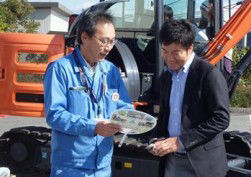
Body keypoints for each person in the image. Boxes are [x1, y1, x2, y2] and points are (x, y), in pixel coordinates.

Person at [44, 10, 133, 177]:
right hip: (71, 166)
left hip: (102, 166)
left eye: (112, 42)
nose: (108, 48)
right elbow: (55, 115)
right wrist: (94, 127)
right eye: (103, 41)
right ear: (84, 37)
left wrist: (132, 119)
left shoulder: (111, 70)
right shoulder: (60, 69)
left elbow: (123, 105)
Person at [150, 19, 230, 177]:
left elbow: (221, 118)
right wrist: (156, 138)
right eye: (165, 51)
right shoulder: (166, 77)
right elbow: (165, 115)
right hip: (171, 159)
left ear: (190, 48)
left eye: (175, 52)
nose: (169, 58)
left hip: (202, 164)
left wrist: (180, 142)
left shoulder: (208, 74)